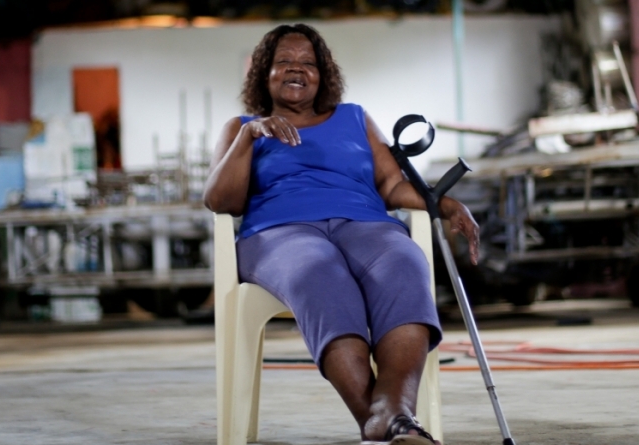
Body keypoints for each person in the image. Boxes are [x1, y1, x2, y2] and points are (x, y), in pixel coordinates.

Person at [204, 23, 480, 445]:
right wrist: (249, 137)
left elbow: (391, 185)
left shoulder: (355, 118)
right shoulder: (242, 128)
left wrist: (445, 205)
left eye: (308, 63)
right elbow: (221, 202)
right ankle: (389, 423)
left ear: (323, 73)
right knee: (319, 271)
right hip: (281, 233)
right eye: (284, 62)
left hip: (365, 224)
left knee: (405, 262)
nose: (296, 70)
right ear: (265, 73)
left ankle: (389, 418)